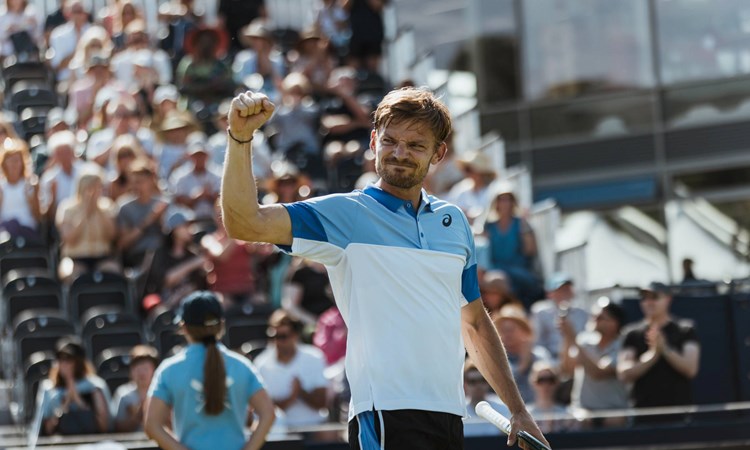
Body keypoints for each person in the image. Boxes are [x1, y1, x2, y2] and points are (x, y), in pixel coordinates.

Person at [221, 88, 548, 449]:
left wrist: (518, 410)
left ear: (438, 153)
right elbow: (245, 224)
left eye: (416, 145)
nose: (400, 153)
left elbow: (472, 322)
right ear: (374, 141)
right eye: (390, 141)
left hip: (449, 415)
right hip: (382, 413)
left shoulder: (454, 222)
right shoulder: (342, 214)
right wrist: (240, 138)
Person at [145, 291, 275, 450]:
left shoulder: (169, 370)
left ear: (183, 327)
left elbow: (152, 426)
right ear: (221, 325)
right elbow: (268, 414)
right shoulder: (242, 365)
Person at [617, 282, 700, 423]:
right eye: (644, 297)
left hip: (679, 414)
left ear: (668, 299)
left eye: (654, 297)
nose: (648, 302)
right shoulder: (631, 333)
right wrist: (653, 355)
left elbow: (690, 369)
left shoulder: (685, 329)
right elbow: (624, 373)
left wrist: (665, 349)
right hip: (643, 415)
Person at [559, 297, 628, 428]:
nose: (594, 319)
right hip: (583, 411)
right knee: (578, 421)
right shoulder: (583, 340)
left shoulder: (623, 346)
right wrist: (567, 337)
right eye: (594, 316)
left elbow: (599, 373)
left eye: (600, 317)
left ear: (614, 323)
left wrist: (572, 337)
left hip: (614, 412)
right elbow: (568, 369)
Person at [254, 309, 329, 428]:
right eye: (273, 336)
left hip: (313, 428)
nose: (277, 341)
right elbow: (261, 408)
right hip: (277, 432)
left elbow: (322, 403)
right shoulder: (261, 363)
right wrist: (291, 397)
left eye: (283, 336)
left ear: (295, 335)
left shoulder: (314, 357)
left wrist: (301, 392)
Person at [36, 336, 111, 436]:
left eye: (69, 359)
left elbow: (105, 427)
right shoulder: (48, 389)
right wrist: (63, 406)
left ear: (79, 362)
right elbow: (45, 430)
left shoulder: (96, 386)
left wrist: (79, 402)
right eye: (61, 359)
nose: (64, 364)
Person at [56, 167, 119, 281]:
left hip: (102, 257)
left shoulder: (107, 207)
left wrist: (98, 210)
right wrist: (85, 212)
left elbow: (112, 236)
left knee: (113, 273)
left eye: (98, 187)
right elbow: (69, 239)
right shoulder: (67, 208)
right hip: (75, 258)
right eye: (91, 188)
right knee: (70, 275)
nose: (95, 191)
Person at [531, 273, 588, 361]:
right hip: (551, 359)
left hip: (577, 358)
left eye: (567, 289)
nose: (565, 293)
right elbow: (537, 341)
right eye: (560, 290)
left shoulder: (582, 313)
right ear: (549, 294)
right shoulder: (540, 312)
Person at [113, 345, 159, 432]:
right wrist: (138, 415)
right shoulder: (123, 394)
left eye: (146, 368)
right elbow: (118, 428)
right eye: (137, 368)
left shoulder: (164, 391)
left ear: (154, 369)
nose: (142, 372)